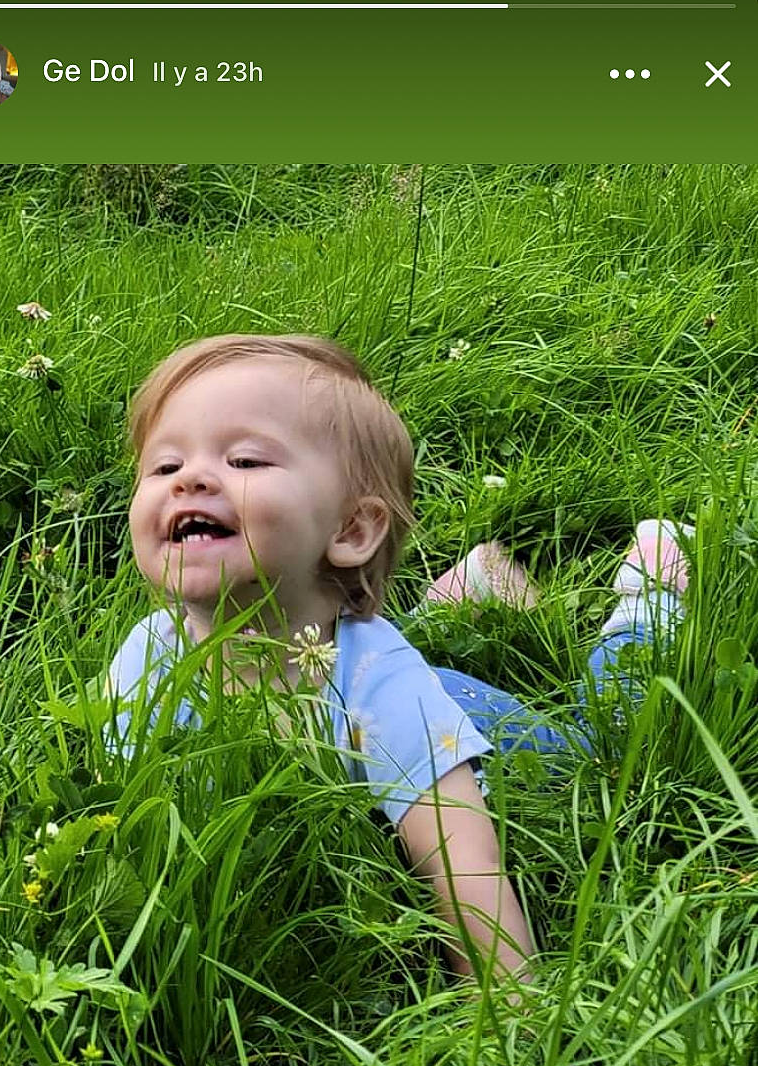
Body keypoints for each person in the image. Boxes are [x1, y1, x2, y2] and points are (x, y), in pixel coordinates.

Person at [105, 333, 692, 997]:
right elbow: (112, 799)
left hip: (482, 727)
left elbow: (462, 861)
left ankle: (648, 604)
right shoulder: (149, 653)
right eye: (163, 467)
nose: (190, 477)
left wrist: (512, 1015)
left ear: (352, 531)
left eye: (243, 458)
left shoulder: (380, 690)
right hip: (384, 672)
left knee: (612, 745)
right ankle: (472, 590)